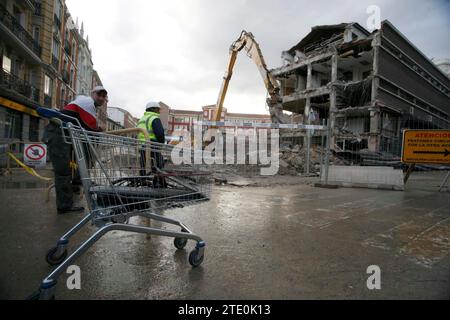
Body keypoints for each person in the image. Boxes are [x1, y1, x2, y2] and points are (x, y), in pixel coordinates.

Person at [43, 86, 107, 214]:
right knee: (63, 171)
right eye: (99, 95)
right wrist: (100, 129)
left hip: (62, 135)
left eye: (104, 96)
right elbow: (91, 126)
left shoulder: (83, 102)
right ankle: (64, 206)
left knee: (75, 161)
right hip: (58, 134)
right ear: (92, 94)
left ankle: (78, 180)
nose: (101, 98)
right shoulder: (87, 103)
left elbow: (85, 127)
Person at [137, 101, 166, 187]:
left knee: (143, 163)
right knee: (159, 163)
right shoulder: (154, 118)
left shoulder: (142, 119)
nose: (159, 112)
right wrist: (161, 144)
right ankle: (158, 182)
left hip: (142, 146)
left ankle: (143, 179)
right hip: (152, 145)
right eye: (158, 109)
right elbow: (160, 134)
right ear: (153, 109)